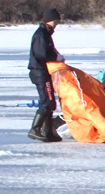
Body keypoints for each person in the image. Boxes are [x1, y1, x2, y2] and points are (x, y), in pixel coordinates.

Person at [27, 8, 64, 142]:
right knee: (46, 102)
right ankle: (35, 129)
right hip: (39, 72)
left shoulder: (45, 34)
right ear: (50, 20)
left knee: (51, 103)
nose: (57, 25)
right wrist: (56, 57)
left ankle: (47, 132)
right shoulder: (41, 34)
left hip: (44, 72)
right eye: (56, 22)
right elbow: (41, 53)